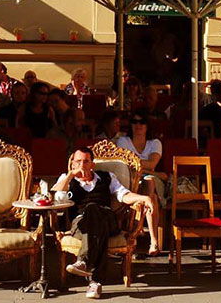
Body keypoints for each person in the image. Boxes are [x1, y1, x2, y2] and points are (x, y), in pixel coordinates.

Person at [55, 146, 155, 299]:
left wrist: (143, 198)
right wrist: (70, 176)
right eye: (78, 161)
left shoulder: (107, 176)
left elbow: (123, 195)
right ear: (73, 164)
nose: (82, 165)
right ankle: (95, 283)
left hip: (108, 220)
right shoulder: (66, 179)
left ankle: (83, 261)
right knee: (94, 224)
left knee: (94, 209)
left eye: (86, 161)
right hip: (80, 224)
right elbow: (58, 199)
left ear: (92, 164)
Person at [115, 114, 165, 257]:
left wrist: (138, 164)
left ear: (147, 125)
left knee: (149, 181)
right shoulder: (123, 141)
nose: (138, 125)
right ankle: (153, 241)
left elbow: (152, 163)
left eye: (142, 121)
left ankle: (140, 228)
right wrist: (148, 168)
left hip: (152, 181)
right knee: (152, 197)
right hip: (131, 180)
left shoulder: (155, 142)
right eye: (135, 122)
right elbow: (125, 165)